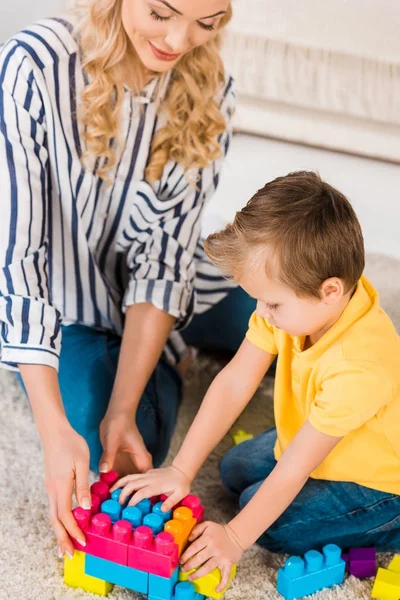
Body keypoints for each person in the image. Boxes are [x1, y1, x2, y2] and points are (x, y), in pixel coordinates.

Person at [0, 0, 256, 561]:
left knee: (309, 311)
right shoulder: (34, 66)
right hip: (69, 306)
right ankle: (173, 362)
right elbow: (22, 259)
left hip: (164, 291)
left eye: (206, 22)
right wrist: (52, 429)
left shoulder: (211, 88)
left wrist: (123, 403)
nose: (180, 38)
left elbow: (165, 259)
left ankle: (170, 354)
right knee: (110, 457)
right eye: (162, 12)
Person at [113, 171, 400, 591]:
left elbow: (295, 467)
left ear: (331, 291)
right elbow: (234, 380)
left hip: (377, 481)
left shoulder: (359, 365)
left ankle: (391, 522)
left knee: (267, 522)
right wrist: (180, 468)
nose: (262, 312)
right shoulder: (304, 304)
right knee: (234, 469)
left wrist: (233, 537)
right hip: (318, 437)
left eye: (272, 303)